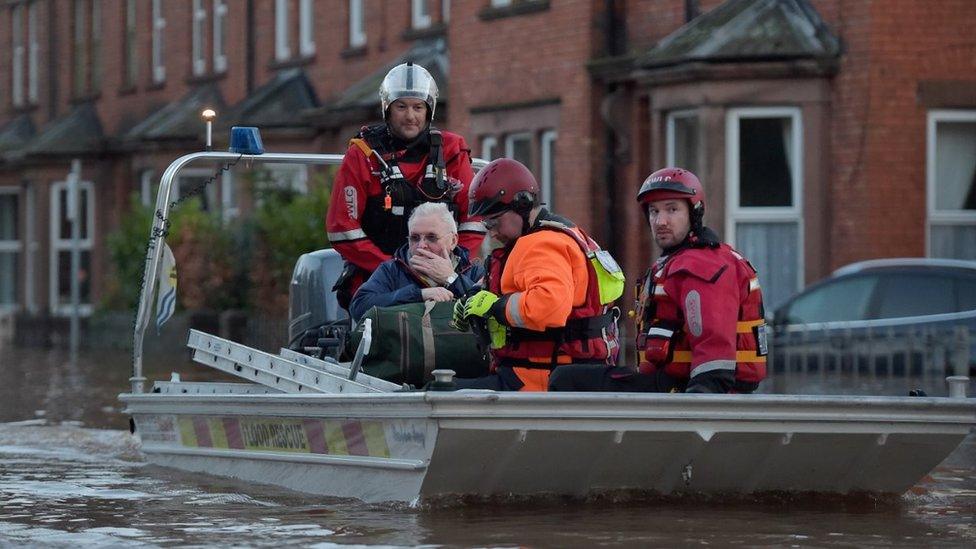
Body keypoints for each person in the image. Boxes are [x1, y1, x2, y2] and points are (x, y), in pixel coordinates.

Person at [548, 167, 767, 393]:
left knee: (565, 379)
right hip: (667, 383)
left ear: (694, 213)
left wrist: (697, 406)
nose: (660, 221)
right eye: (654, 212)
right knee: (573, 375)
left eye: (672, 210)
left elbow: (714, 353)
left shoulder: (701, 266)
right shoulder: (677, 261)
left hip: (686, 389)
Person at [451, 158, 624, 392]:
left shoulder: (540, 244)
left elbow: (549, 305)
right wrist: (473, 299)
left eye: (494, 221)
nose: (491, 232)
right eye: (486, 224)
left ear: (521, 205)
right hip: (554, 372)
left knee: (440, 390)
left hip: (540, 377)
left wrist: (494, 307)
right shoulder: (560, 233)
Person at [326, 62, 485, 308]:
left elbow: (475, 218)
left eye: (417, 107)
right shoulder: (363, 154)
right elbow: (342, 228)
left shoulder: (451, 151)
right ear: (387, 109)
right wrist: (394, 269)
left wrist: (449, 266)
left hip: (445, 276)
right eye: (401, 107)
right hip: (378, 279)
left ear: (429, 111)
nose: (410, 116)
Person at [350, 202, 485, 321]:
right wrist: (418, 295)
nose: (421, 245)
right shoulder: (392, 270)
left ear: (453, 241)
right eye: (415, 238)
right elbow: (359, 308)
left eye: (431, 237)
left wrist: (451, 279)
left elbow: (489, 311)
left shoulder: (473, 271)